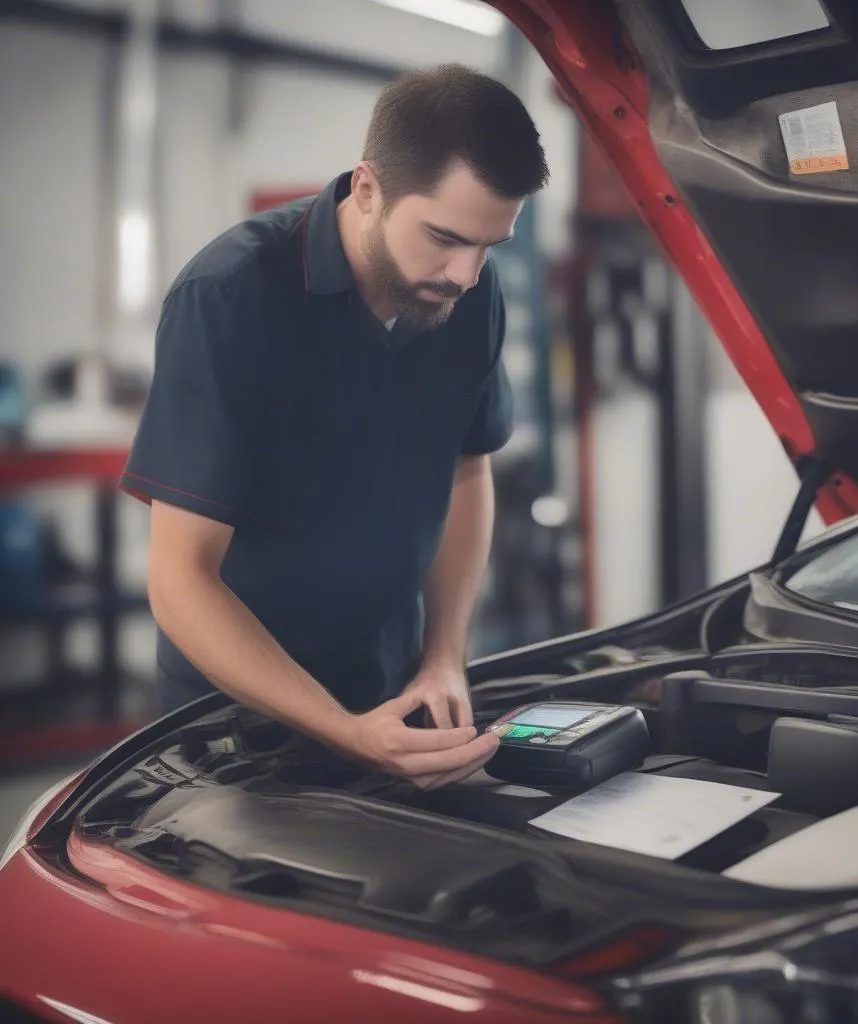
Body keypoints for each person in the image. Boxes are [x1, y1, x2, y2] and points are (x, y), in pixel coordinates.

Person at [120, 64, 549, 790]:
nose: (467, 274)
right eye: (445, 237)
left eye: (489, 247)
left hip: (392, 693)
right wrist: (343, 732)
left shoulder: (469, 295)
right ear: (367, 188)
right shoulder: (229, 298)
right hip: (233, 733)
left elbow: (466, 468)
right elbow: (181, 578)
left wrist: (444, 655)